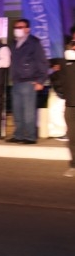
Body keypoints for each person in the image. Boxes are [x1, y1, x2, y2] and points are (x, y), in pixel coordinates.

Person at [8, 18, 48, 144]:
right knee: (17, 110)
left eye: (20, 27)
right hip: (16, 81)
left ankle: (30, 136)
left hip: (30, 81)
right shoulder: (14, 43)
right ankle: (19, 134)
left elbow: (42, 62)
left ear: (27, 29)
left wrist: (40, 81)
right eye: (16, 27)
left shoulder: (34, 42)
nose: (17, 29)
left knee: (29, 111)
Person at [51, 39, 75, 176]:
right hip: (70, 104)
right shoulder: (67, 61)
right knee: (73, 138)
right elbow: (60, 79)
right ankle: (74, 165)